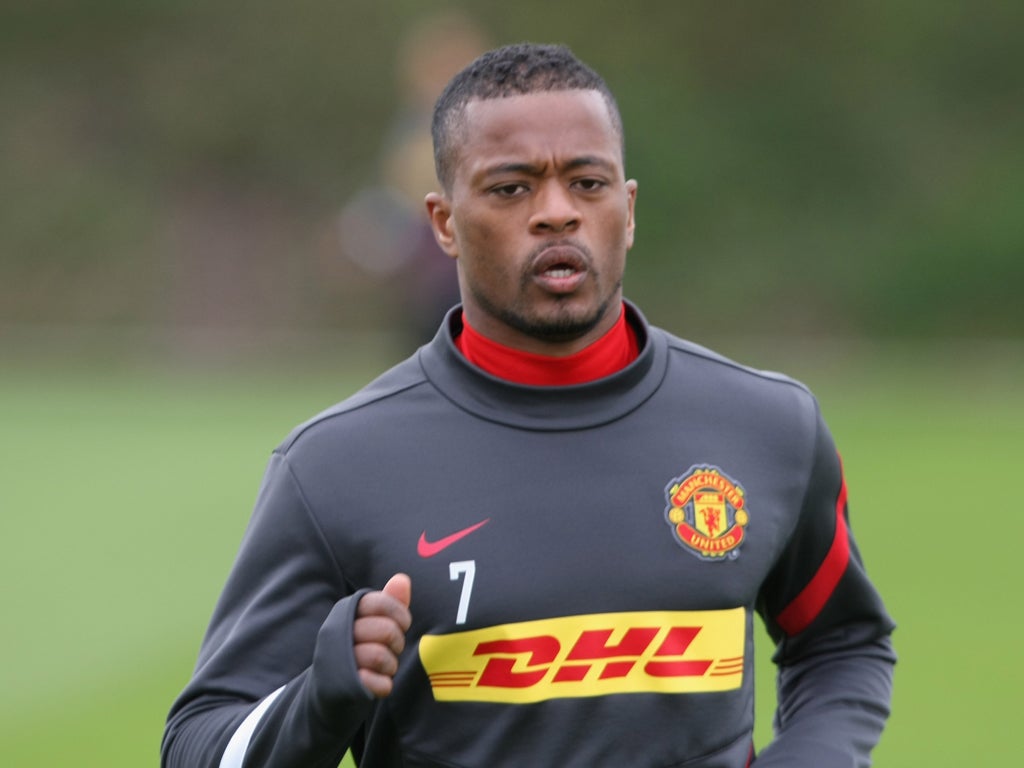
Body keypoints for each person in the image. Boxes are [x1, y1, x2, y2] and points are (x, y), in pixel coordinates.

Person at [162, 43, 895, 768]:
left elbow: (841, 643)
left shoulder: (768, 428)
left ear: (628, 209)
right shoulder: (334, 468)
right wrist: (317, 701)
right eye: (512, 188)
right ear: (443, 223)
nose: (556, 213)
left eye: (587, 182)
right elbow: (197, 748)